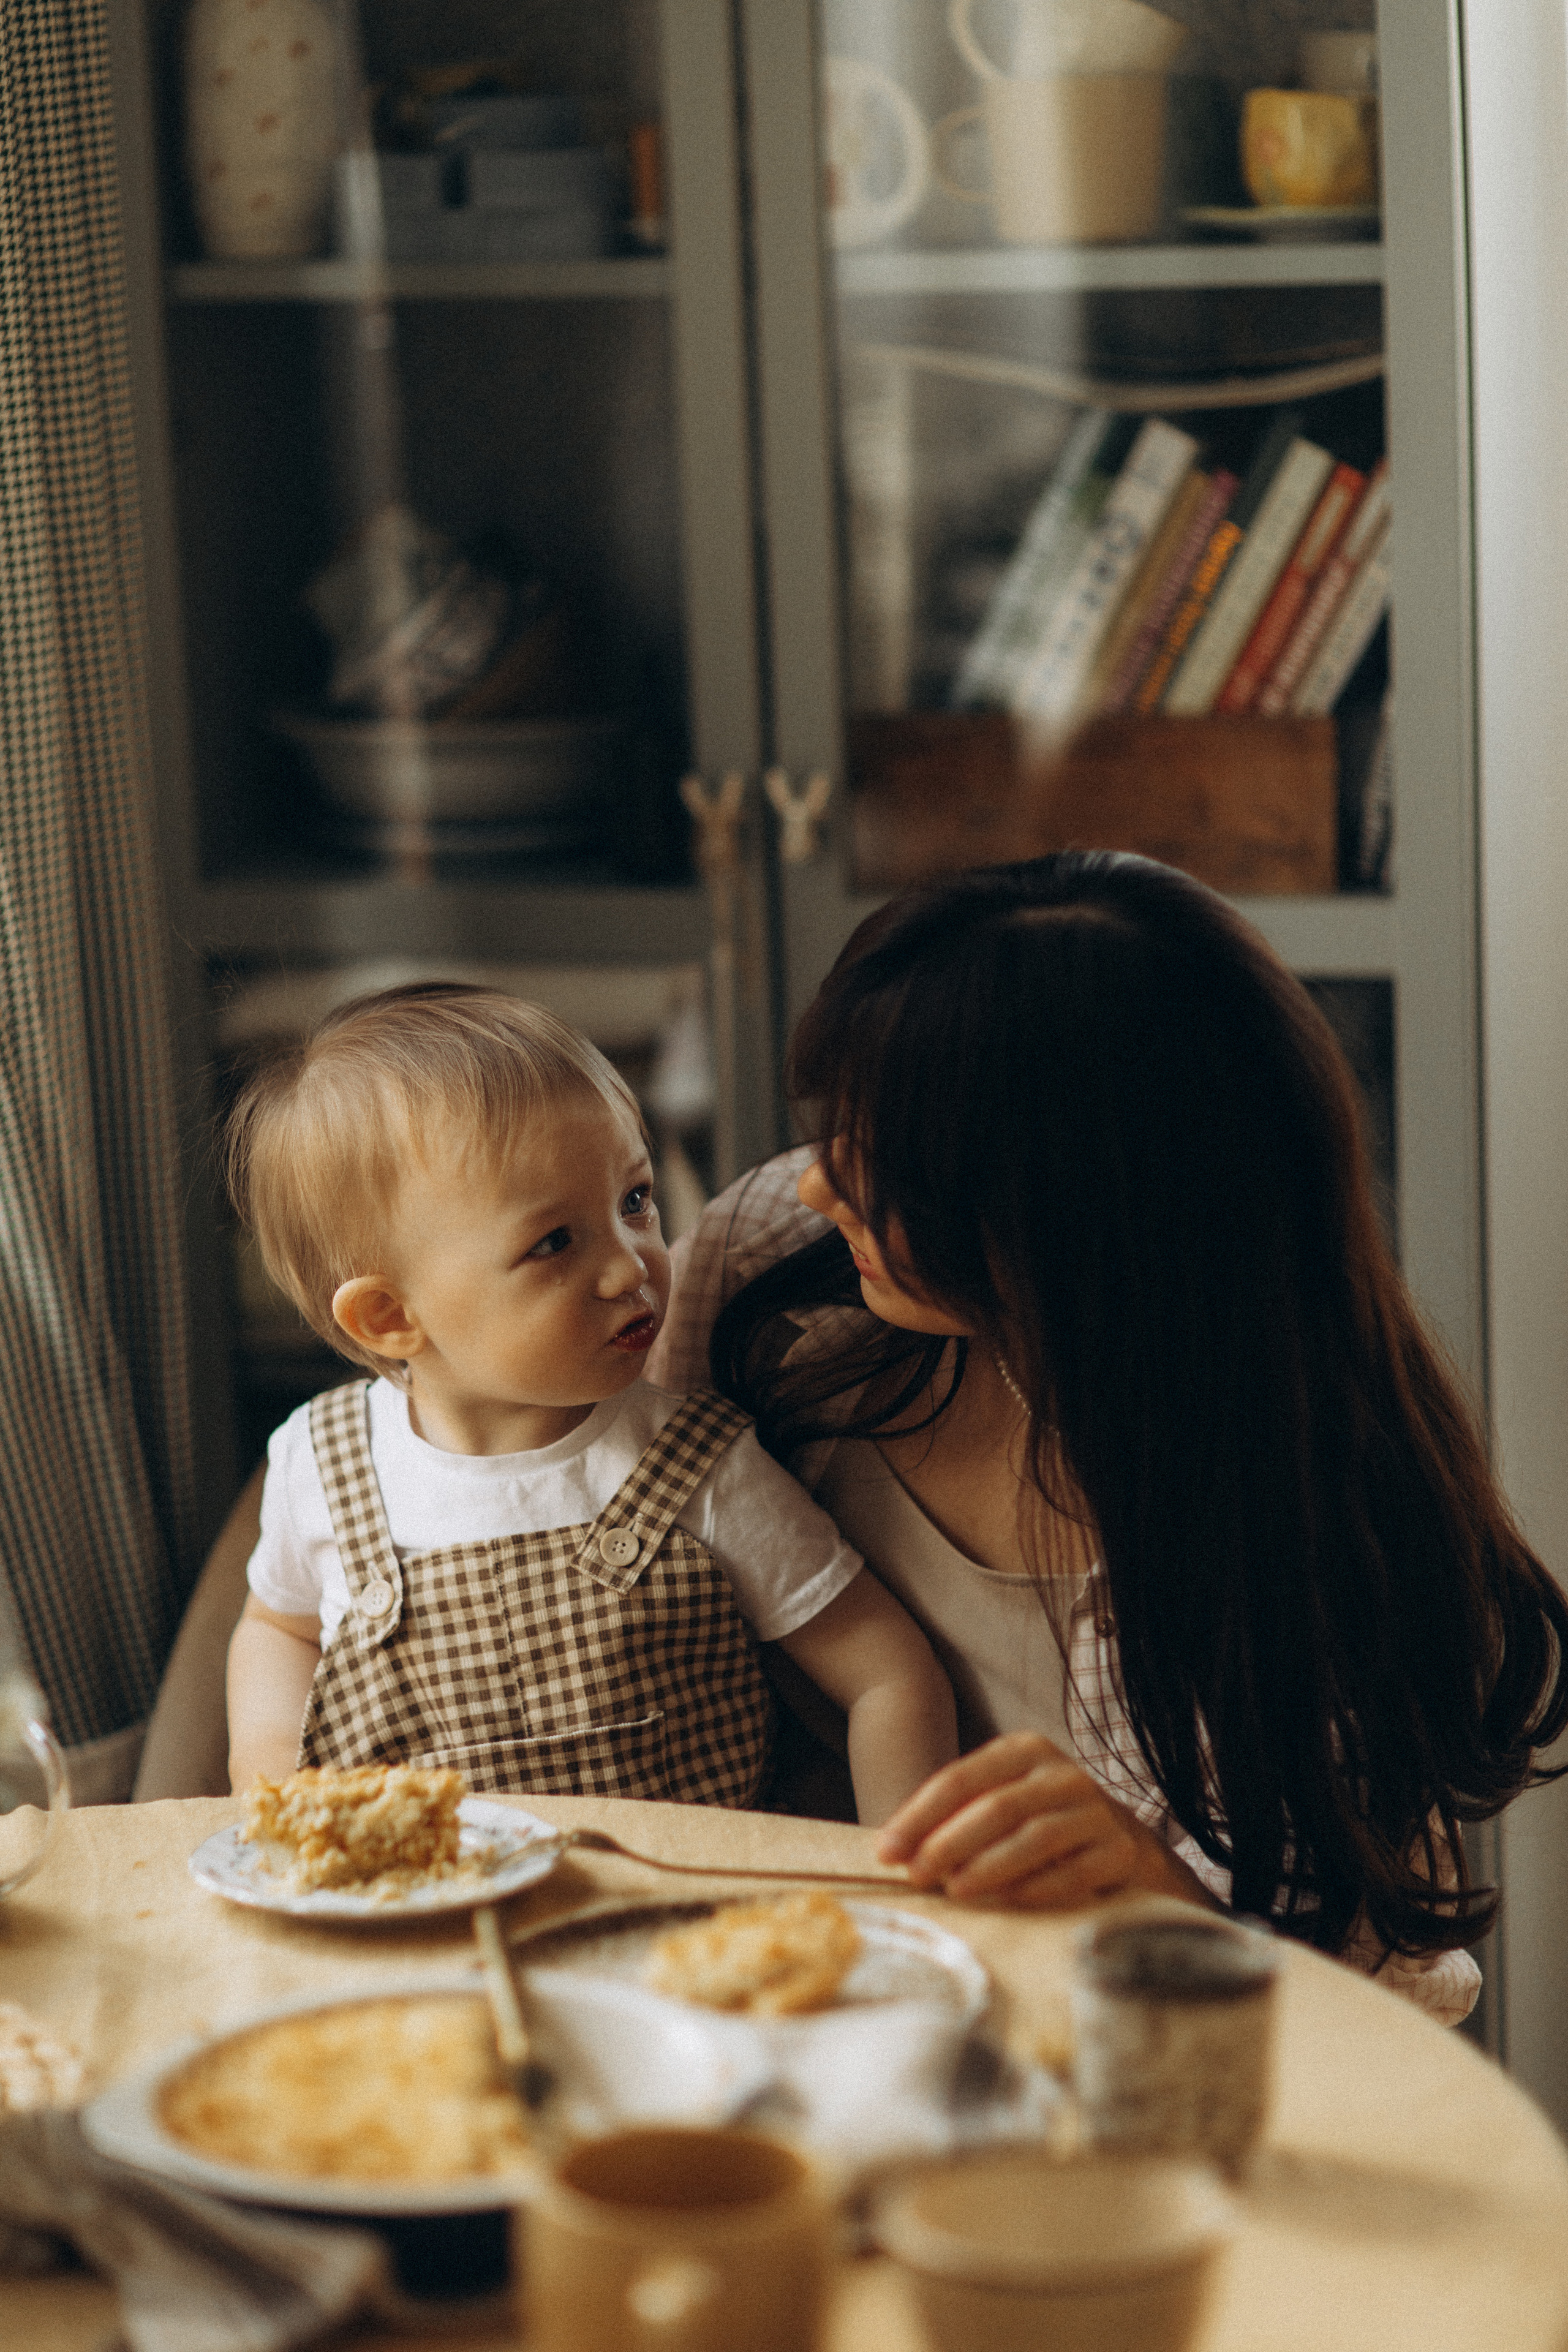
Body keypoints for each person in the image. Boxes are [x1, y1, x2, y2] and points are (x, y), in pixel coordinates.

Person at [649, 853, 1568, 2024]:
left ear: (1074, 1221)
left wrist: (1156, 1898)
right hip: (745, 1994)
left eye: (893, 1165)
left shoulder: (1311, 1532)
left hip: (1081, 2048)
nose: (824, 1187)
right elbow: (590, 1486)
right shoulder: (774, 1266)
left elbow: (1379, 2007)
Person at [221, 983, 956, 1820]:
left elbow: (888, 1672)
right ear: (390, 1317)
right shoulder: (320, 1464)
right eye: (555, 1242)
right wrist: (267, 1771)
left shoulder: (700, 1465)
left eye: (634, 1201)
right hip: (411, 1894)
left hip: (669, 1893)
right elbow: (279, 1627)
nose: (630, 1265)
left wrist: (899, 1865)